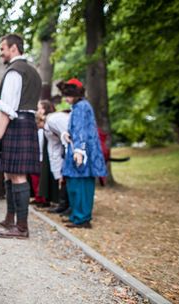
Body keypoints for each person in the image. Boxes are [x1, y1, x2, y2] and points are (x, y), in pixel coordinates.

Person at [0, 34, 42, 239]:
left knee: (18, 174)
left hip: (16, 124)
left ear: (13, 48)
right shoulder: (33, 72)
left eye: (3, 48)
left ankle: (21, 227)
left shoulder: (14, 72)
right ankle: (11, 219)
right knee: (10, 173)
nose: (1, 52)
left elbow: (6, 109)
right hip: (27, 123)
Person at [58, 78, 107, 228]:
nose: (66, 99)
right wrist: (66, 133)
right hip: (78, 149)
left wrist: (79, 150)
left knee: (81, 186)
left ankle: (82, 218)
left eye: (68, 95)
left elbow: (81, 130)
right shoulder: (78, 106)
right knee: (74, 184)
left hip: (82, 152)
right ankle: (76, 215)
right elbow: (75, 128)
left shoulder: (81, 107)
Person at [36, 100, 70, 214]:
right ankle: (63, 204)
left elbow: (65, 134)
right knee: (63, 178)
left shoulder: (53, 120)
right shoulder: (46, 128)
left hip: (70, 148)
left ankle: (67, 205)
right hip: (62, 151)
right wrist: (56, 171)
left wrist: (68, 152)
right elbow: (53, 148)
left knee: (68, 178)